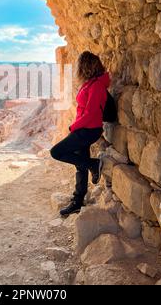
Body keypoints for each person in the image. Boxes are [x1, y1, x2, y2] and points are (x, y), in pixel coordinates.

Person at [50, 51, 110, 217]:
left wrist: (73, 127)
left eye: (79, 65)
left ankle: (93, 164)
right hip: (84, 128)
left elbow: (91, 113)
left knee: (56, 152)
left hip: (88, 129)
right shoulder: (90, 83)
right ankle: (77, 201)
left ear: (85, 66)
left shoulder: (97, 85)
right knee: (80, 164)